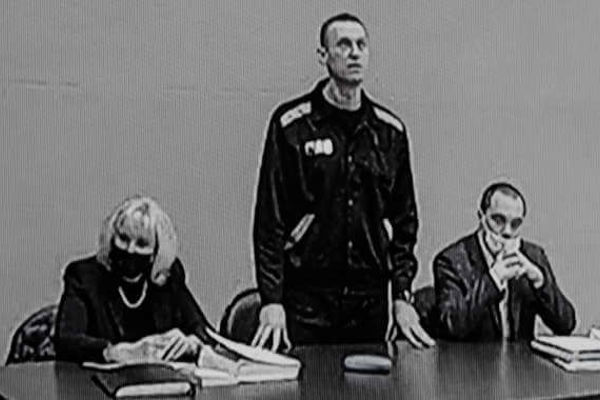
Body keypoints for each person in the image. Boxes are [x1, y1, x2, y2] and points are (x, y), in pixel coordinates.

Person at [251, 13, 434, 351]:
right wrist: (271, 299)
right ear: (323, 55)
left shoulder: (389, 132)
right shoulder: (291, 126)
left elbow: (404, 223)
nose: (354, 53)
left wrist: (402, 294)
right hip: (306, 300)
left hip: (369, 302)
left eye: (361, 45)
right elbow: (269, 220)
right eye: (344, 45)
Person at [55, 196, 214, 362]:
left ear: (155, 252)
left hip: (159, 377)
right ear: (111, 239)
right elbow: (66, 341)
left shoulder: (168, 276)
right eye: (123, 239)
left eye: (142, 244)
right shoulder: (84, 276)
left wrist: (192, 343)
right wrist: (116, 352)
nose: (130, 250)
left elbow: (205, 331)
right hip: (98, 378)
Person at [434, 182, 576, 341]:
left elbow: (566, 325)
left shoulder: (533, 256)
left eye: (515, 224)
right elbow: (450, 326)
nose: (507, 232)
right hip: (472, 356)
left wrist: (540, 282)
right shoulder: (451, 261)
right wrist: (493, 279)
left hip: (518, 356)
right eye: (498, 220)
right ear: (481, 217)